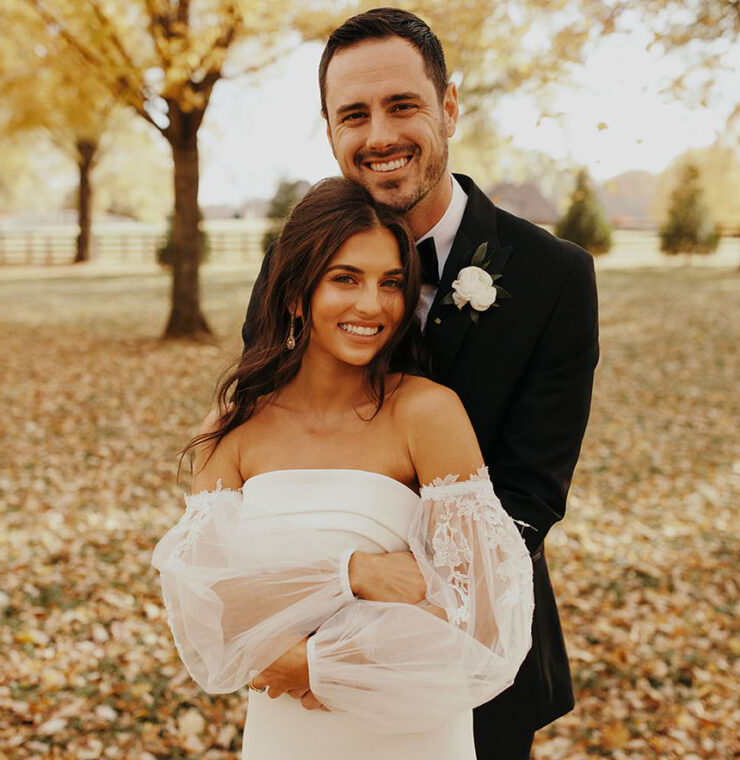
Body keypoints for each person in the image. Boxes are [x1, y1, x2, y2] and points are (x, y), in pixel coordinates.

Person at [242, 9, 599, 759]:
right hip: (301, 652)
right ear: (331, 129)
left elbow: (531, 492)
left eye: (402, 105)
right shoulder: (290, 264)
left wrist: (402, 622)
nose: (379, 135)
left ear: (449, 107)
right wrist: (313, 619)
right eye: (354, 115)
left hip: (476, 659)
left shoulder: (554, 277)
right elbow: (260, 441)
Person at [154, 177, 535, 760]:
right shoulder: (232, 425)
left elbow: (484, 622)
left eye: (391, 283)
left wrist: (316, 663)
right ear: (293, 294)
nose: (372, 305)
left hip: (408, 732)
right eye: (345, 278)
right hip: (286, 733)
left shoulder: (426, 413)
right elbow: (207, 605)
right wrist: (351, 573)